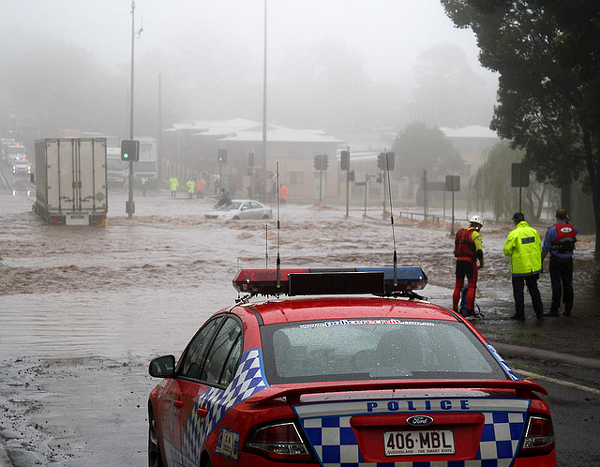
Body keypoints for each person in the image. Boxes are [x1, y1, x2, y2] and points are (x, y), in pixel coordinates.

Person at [503, 212, 544, 320]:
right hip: (533, 268)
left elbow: (506, 251)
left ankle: (520, 314)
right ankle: (539, 312)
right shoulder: (534, 232)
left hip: (519, 268)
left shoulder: (514, 233)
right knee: (534, 290)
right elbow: (539, 246)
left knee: (518, 292)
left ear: (515, 221)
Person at [541, 208, 578, 317]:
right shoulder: (573, 229)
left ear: (555, 216)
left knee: (556, 284)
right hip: (568, 260)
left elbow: (546, 249)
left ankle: (555, 309)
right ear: (566, 216)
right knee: (568, 283)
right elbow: (574, 228)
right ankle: (568, 309)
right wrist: (568, 221)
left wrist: (540, 261)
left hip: (556, 260)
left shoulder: (552, 230)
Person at [452, 215, 484, 317]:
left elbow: (455, 250)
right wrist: (481, 263)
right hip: (470, 262)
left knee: (458, 286)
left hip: (459, 262)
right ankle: (470, 311)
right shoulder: (475, 235)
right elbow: (479, 251)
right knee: (471, 286)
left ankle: (455, 310)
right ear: (478, 226)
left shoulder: (460, 233)